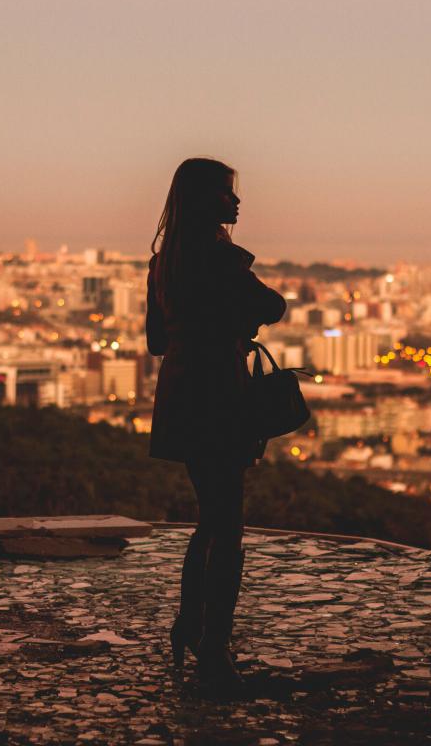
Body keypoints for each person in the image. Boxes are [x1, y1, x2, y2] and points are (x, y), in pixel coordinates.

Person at [146, 157, 287, 698]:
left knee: (211, 514)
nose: (237, 202)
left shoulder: (163, 262)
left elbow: (157, 339)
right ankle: (214, 650)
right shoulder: (221, 258)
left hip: (181, 392)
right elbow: (271, 305)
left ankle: (191, 626)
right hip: (220, 394)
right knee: (226, 526)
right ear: (206, 199)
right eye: (228, 194)